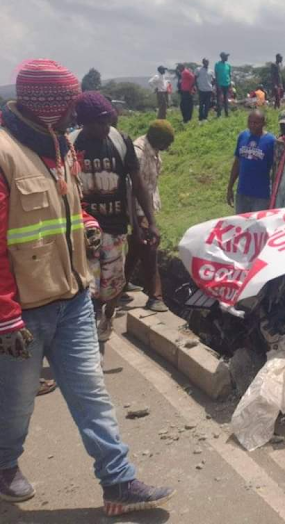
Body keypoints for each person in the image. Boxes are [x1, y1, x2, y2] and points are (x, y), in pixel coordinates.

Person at [0, 59, 174, 515]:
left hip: (73, 296)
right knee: (16, 405)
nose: (75, 110)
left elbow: (68, 208)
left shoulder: (59, 147)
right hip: (25, 308)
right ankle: (3, 465)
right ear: (47, 103)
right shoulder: (4, 153)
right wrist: (6, 314)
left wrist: (89, 223)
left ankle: (118, 482)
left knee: (92, 395)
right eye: (68, 101)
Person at [72, 92, 159, 343]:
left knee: (113, 282)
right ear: (84, 122)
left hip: (115, 227)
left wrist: (149, 222)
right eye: (99, 122)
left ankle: (108, 316)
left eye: (108, 120)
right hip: (83, 230)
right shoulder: (70, 144)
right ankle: (89, 327)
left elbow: (138, 184)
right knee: (88, 286)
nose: (105, 127)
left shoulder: (121, 142)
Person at [124, 120, 173, 312]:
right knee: (150, 248)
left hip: (146, 209)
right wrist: (136, 223)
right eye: (166, 143)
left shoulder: (152, 151)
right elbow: (131, 190)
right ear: (157, 139)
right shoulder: (138, 153)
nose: (168, 147)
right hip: (138, 210)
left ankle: (119, 287)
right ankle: (155, 297)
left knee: (136, 249)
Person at [226, 110, 276, 214]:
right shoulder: (243, 136)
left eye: (256, 123)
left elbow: (275, 169)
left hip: (261, 195)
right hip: (242, 193)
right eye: (250, 122)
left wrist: (275, 193)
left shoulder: (271, 141)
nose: (252, 125)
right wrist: (230, 187)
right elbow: (237, 163)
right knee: (241, 225)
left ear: (263, 124)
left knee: (258, 226)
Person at [195, 58, 214, 122]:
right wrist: (197, 87)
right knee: (201, 105)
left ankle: (205, 117)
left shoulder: (211, 71)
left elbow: (214, 80)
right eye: (205, 62)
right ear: (203, 62)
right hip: (201, 90)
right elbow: (195, 78)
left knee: (207, 105)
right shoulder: (198, 69)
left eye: (207, 62)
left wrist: (212, 87)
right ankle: (200, 117)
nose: (207, 63)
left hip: (209, 90)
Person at [214, 52, 232, 117]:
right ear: (222, 57)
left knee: (226, 100)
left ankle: (227, 114)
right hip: (220, 84)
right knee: (219, 100)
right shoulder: (217, 64)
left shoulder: (228, 65)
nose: (227, 58)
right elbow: (216, 75)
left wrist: (230, 85)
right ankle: (219, 114)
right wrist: (217, 85)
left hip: (227, 84)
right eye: (226, 56)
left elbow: (229, 75)